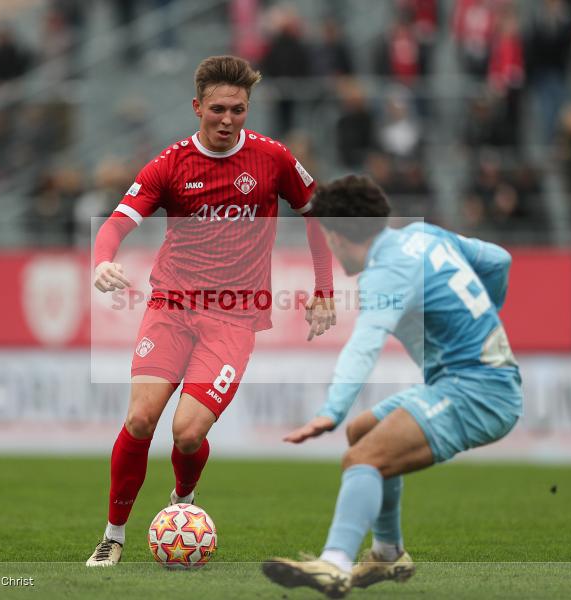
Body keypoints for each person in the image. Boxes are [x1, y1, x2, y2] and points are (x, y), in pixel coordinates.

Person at [86, 55, 336, 567]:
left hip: (233, 316)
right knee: (139, 419)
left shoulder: (274, 159)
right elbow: (116, 222)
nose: (227, 119)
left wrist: (325, 289)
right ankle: (113, 535)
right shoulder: (170, 164)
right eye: (218, 109)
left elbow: (317, 215)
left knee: (188, 432)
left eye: (238, 110)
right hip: (171, 305)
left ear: (248, 109)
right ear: (197, 107)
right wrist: (101, 261)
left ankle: (182, 504)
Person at [262, 175, 523, 598]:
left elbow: (364, 345)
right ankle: (387, 553)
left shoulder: (384, 274)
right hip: (470, 379)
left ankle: (335, 563)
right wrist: (488, 313)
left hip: (479, 391)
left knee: (361, 457)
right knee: (362, 430)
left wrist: (331, 409)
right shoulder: (424, 235)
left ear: (337, 235)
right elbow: (499, 260)